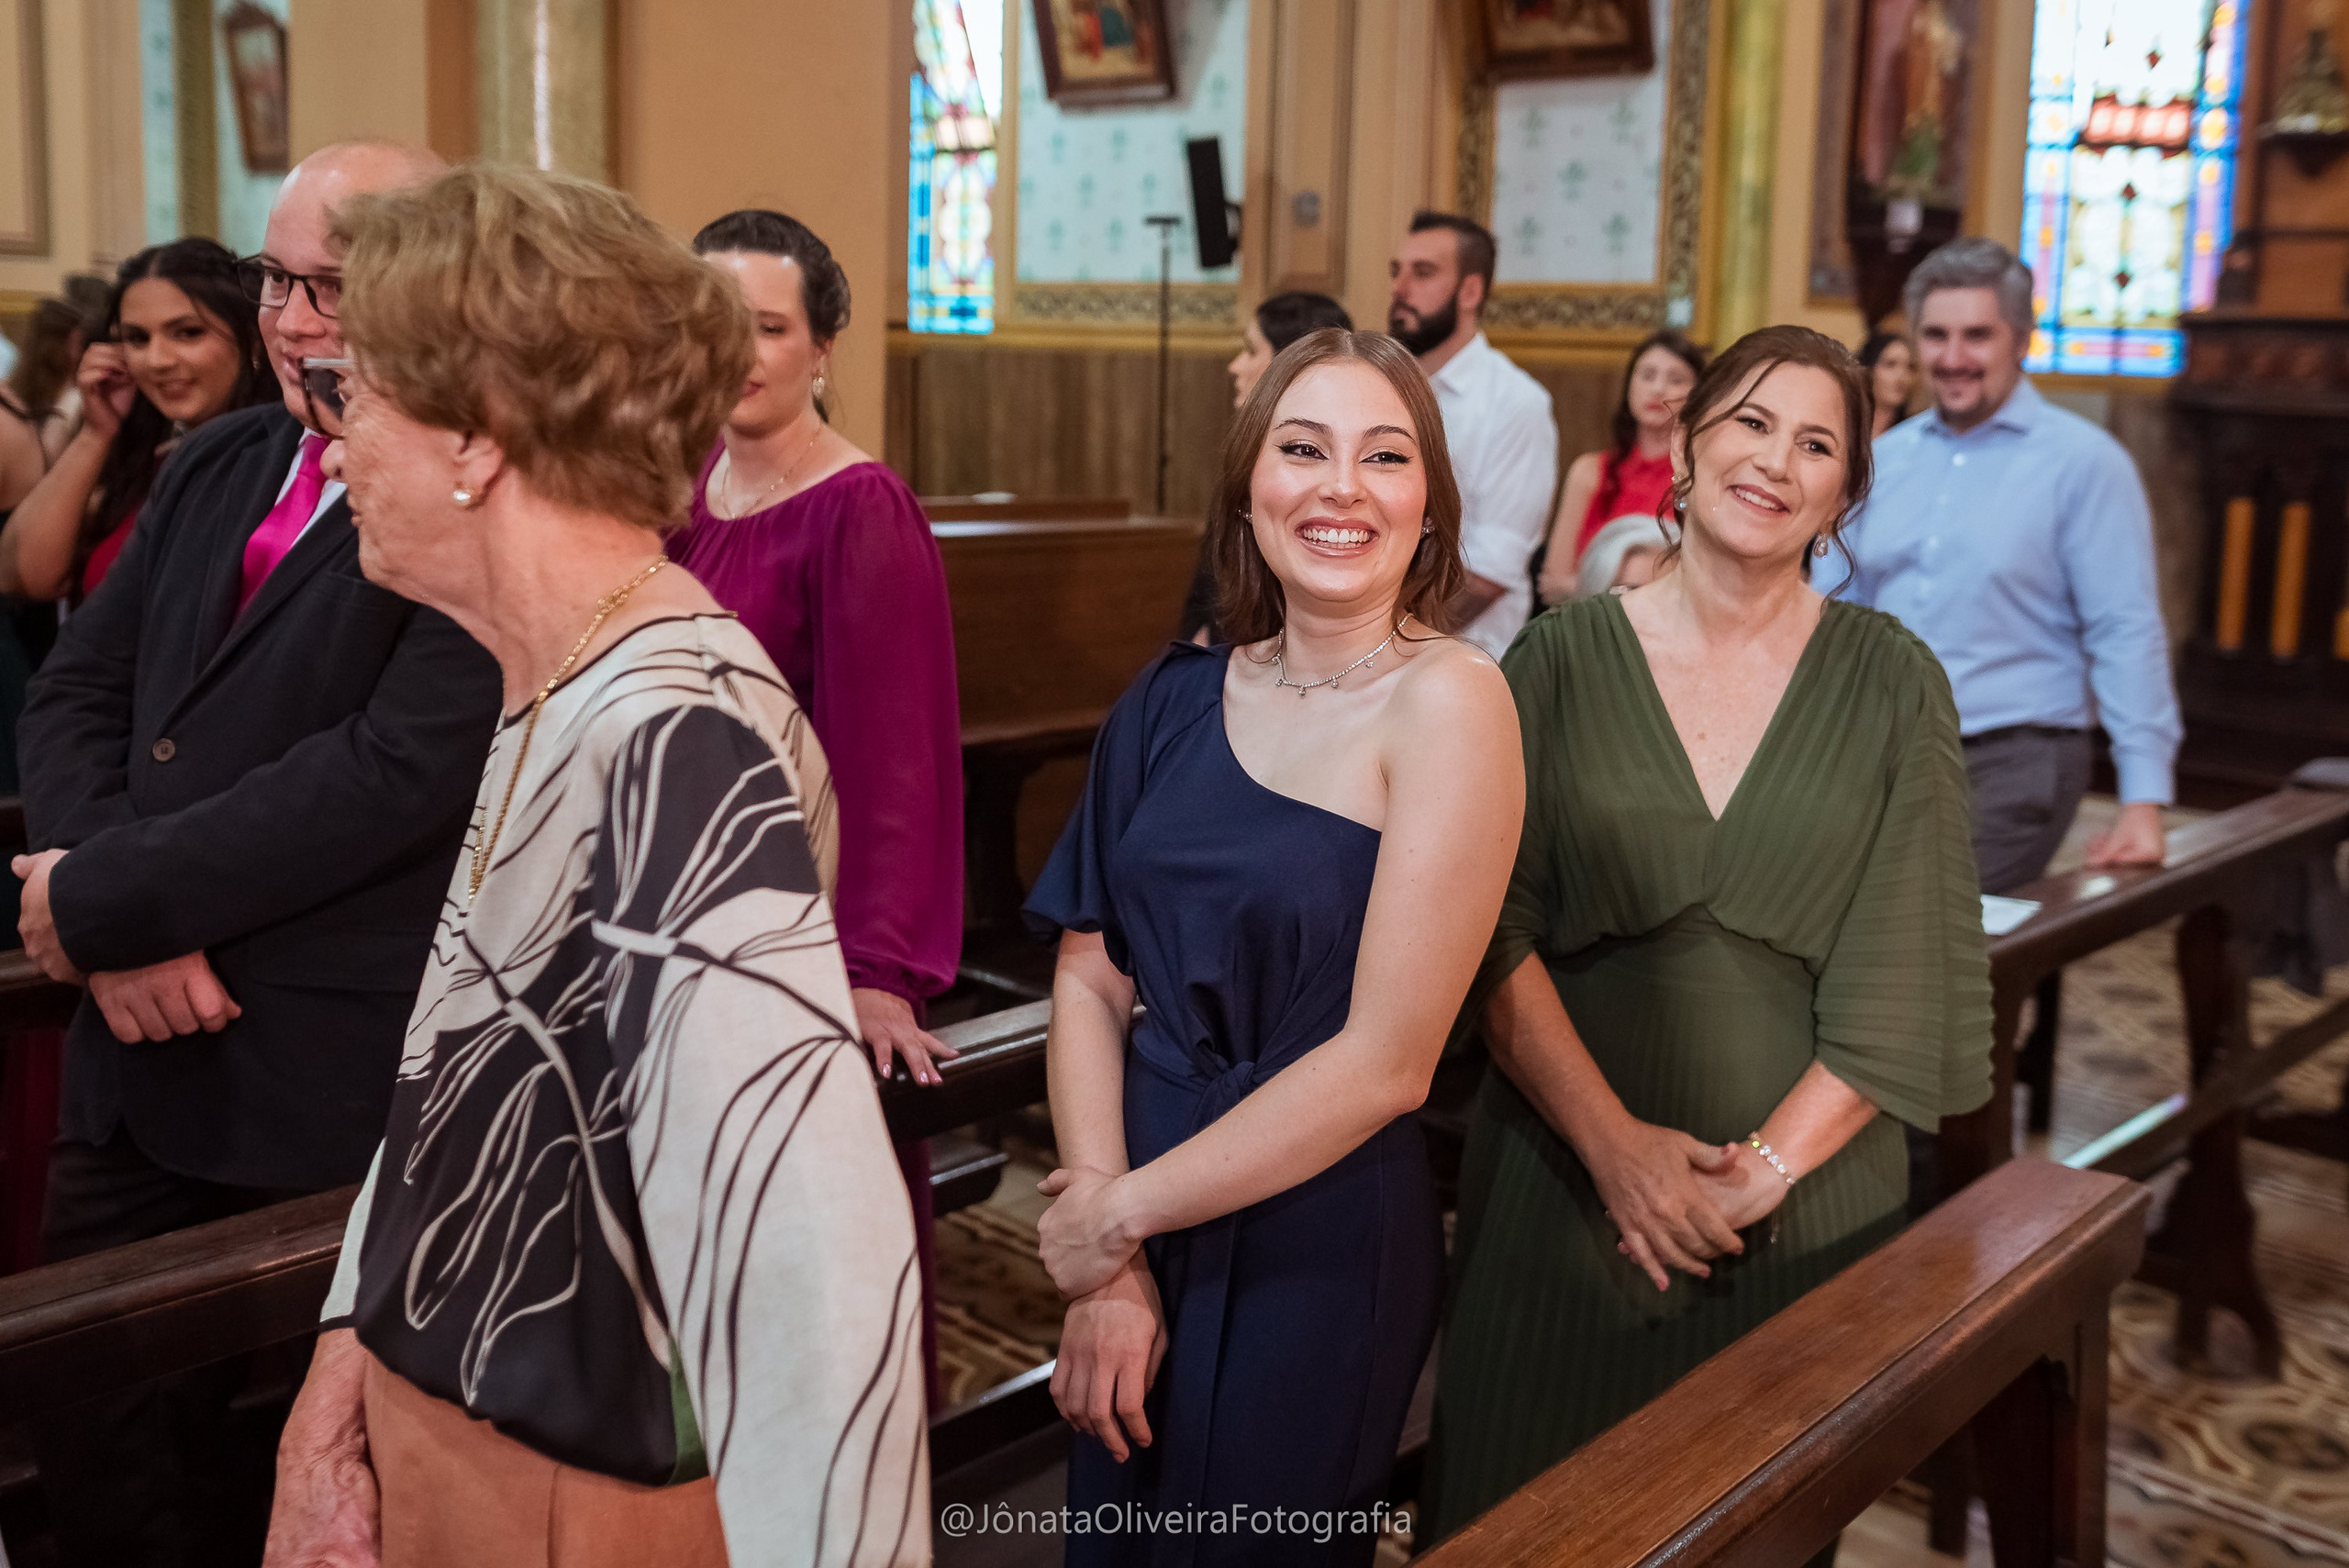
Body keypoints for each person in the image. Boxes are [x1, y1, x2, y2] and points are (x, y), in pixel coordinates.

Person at [263, 160, 926, 1568]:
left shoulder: (670, 735)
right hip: (457, 1421)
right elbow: (454, 1056)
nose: (330, 445)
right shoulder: (560, 674)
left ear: (479, 437)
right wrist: (342, 1383)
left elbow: (816, 1299)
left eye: (356, 394)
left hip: (573, 1491)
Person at [11, 141, 501, 1567]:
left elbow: (390, 772)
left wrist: (103, 896)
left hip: (319, 1061)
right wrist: (118, 916)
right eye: (279, 278)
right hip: (138, 1042)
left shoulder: (472, 483)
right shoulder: (221, 455)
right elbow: (77, 693)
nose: (290, 318)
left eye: (330, 284)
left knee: (316, 1455)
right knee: (91, 1417)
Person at [1421, 326, 1993, 1546]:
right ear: (1687, 443)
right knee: (1522, 1518)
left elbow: (1904, 979)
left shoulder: (1895, 680)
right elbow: (1486, 932)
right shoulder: (1560, 660)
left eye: (1819, 442)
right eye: (1751, 422)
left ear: (1845, 493)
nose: (1778, 460)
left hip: (1798, 1213)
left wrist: (1763, 1178)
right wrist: (1614, 1147)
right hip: (1562, 1183)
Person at [1024, 328, 1523, 1565]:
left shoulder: (1451, 702)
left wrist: (1114, 1216)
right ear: (1252, 490)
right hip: (1136, 1197)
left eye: (1385, 457)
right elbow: (1091, 972)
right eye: (1303, 450)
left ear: (1428, 505)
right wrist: (1104, 1251)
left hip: (1315, 1228)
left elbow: (1387, 1065)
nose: (1340, 487)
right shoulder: (1173, 698)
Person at [672, 206, 962, 1396]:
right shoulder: (683, 489)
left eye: (772, 326)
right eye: (715, 322)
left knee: (815, 1294)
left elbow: (896, 756)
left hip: (803, 936)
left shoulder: (860, 508)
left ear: (824, 348)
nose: (741, 349)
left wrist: (877, 969)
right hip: (688, 921)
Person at [1822, 238, 2181, 894]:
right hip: (1882, 750)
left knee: (1918, 930)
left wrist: (2143, 799)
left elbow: (2125, 629)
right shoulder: (1885, 461)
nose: (1952, 359)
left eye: (1976, 336)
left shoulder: (2084, 464)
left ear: (2021, 339)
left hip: (2016, 757)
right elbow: (1829, 609)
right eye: (1935, 335)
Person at [0, 240, 275, 607]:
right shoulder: (154, 466)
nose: (157, 360)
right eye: (137, 339)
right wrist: (96, 433)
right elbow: (27, 576)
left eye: (187, 333)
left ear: (253, 343)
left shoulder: (288, 469)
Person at [1387, 211, 1558, 659]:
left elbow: (1487, 576)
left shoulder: (1516, 403)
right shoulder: (1382, 387)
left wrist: (1387, 648)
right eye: (1396, 272)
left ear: (1471, 291)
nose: (1399, 290)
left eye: (1422, 273)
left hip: (1466, 659)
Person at [1180, 289, 1353, 641]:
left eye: (1251, 350)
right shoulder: (1248, 454)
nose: (1235, 365)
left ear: (1285, 364)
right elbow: (1212, 590)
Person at [1533, 329, 1705, 606]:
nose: (1658, 389)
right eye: (1647, 376)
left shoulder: (1699, 478)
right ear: (1629, 386)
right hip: (1589, 628)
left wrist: (1595, 586)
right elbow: (1553, 585)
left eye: (1675, 380)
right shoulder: (1589, 471)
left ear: (1697, 395)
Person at [1857, 328, 1917, 438]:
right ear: (1868, 371)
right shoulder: (1845, 427)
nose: (1902, 377)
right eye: (1890, 364)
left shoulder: (1913, 435)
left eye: (1910, 367)